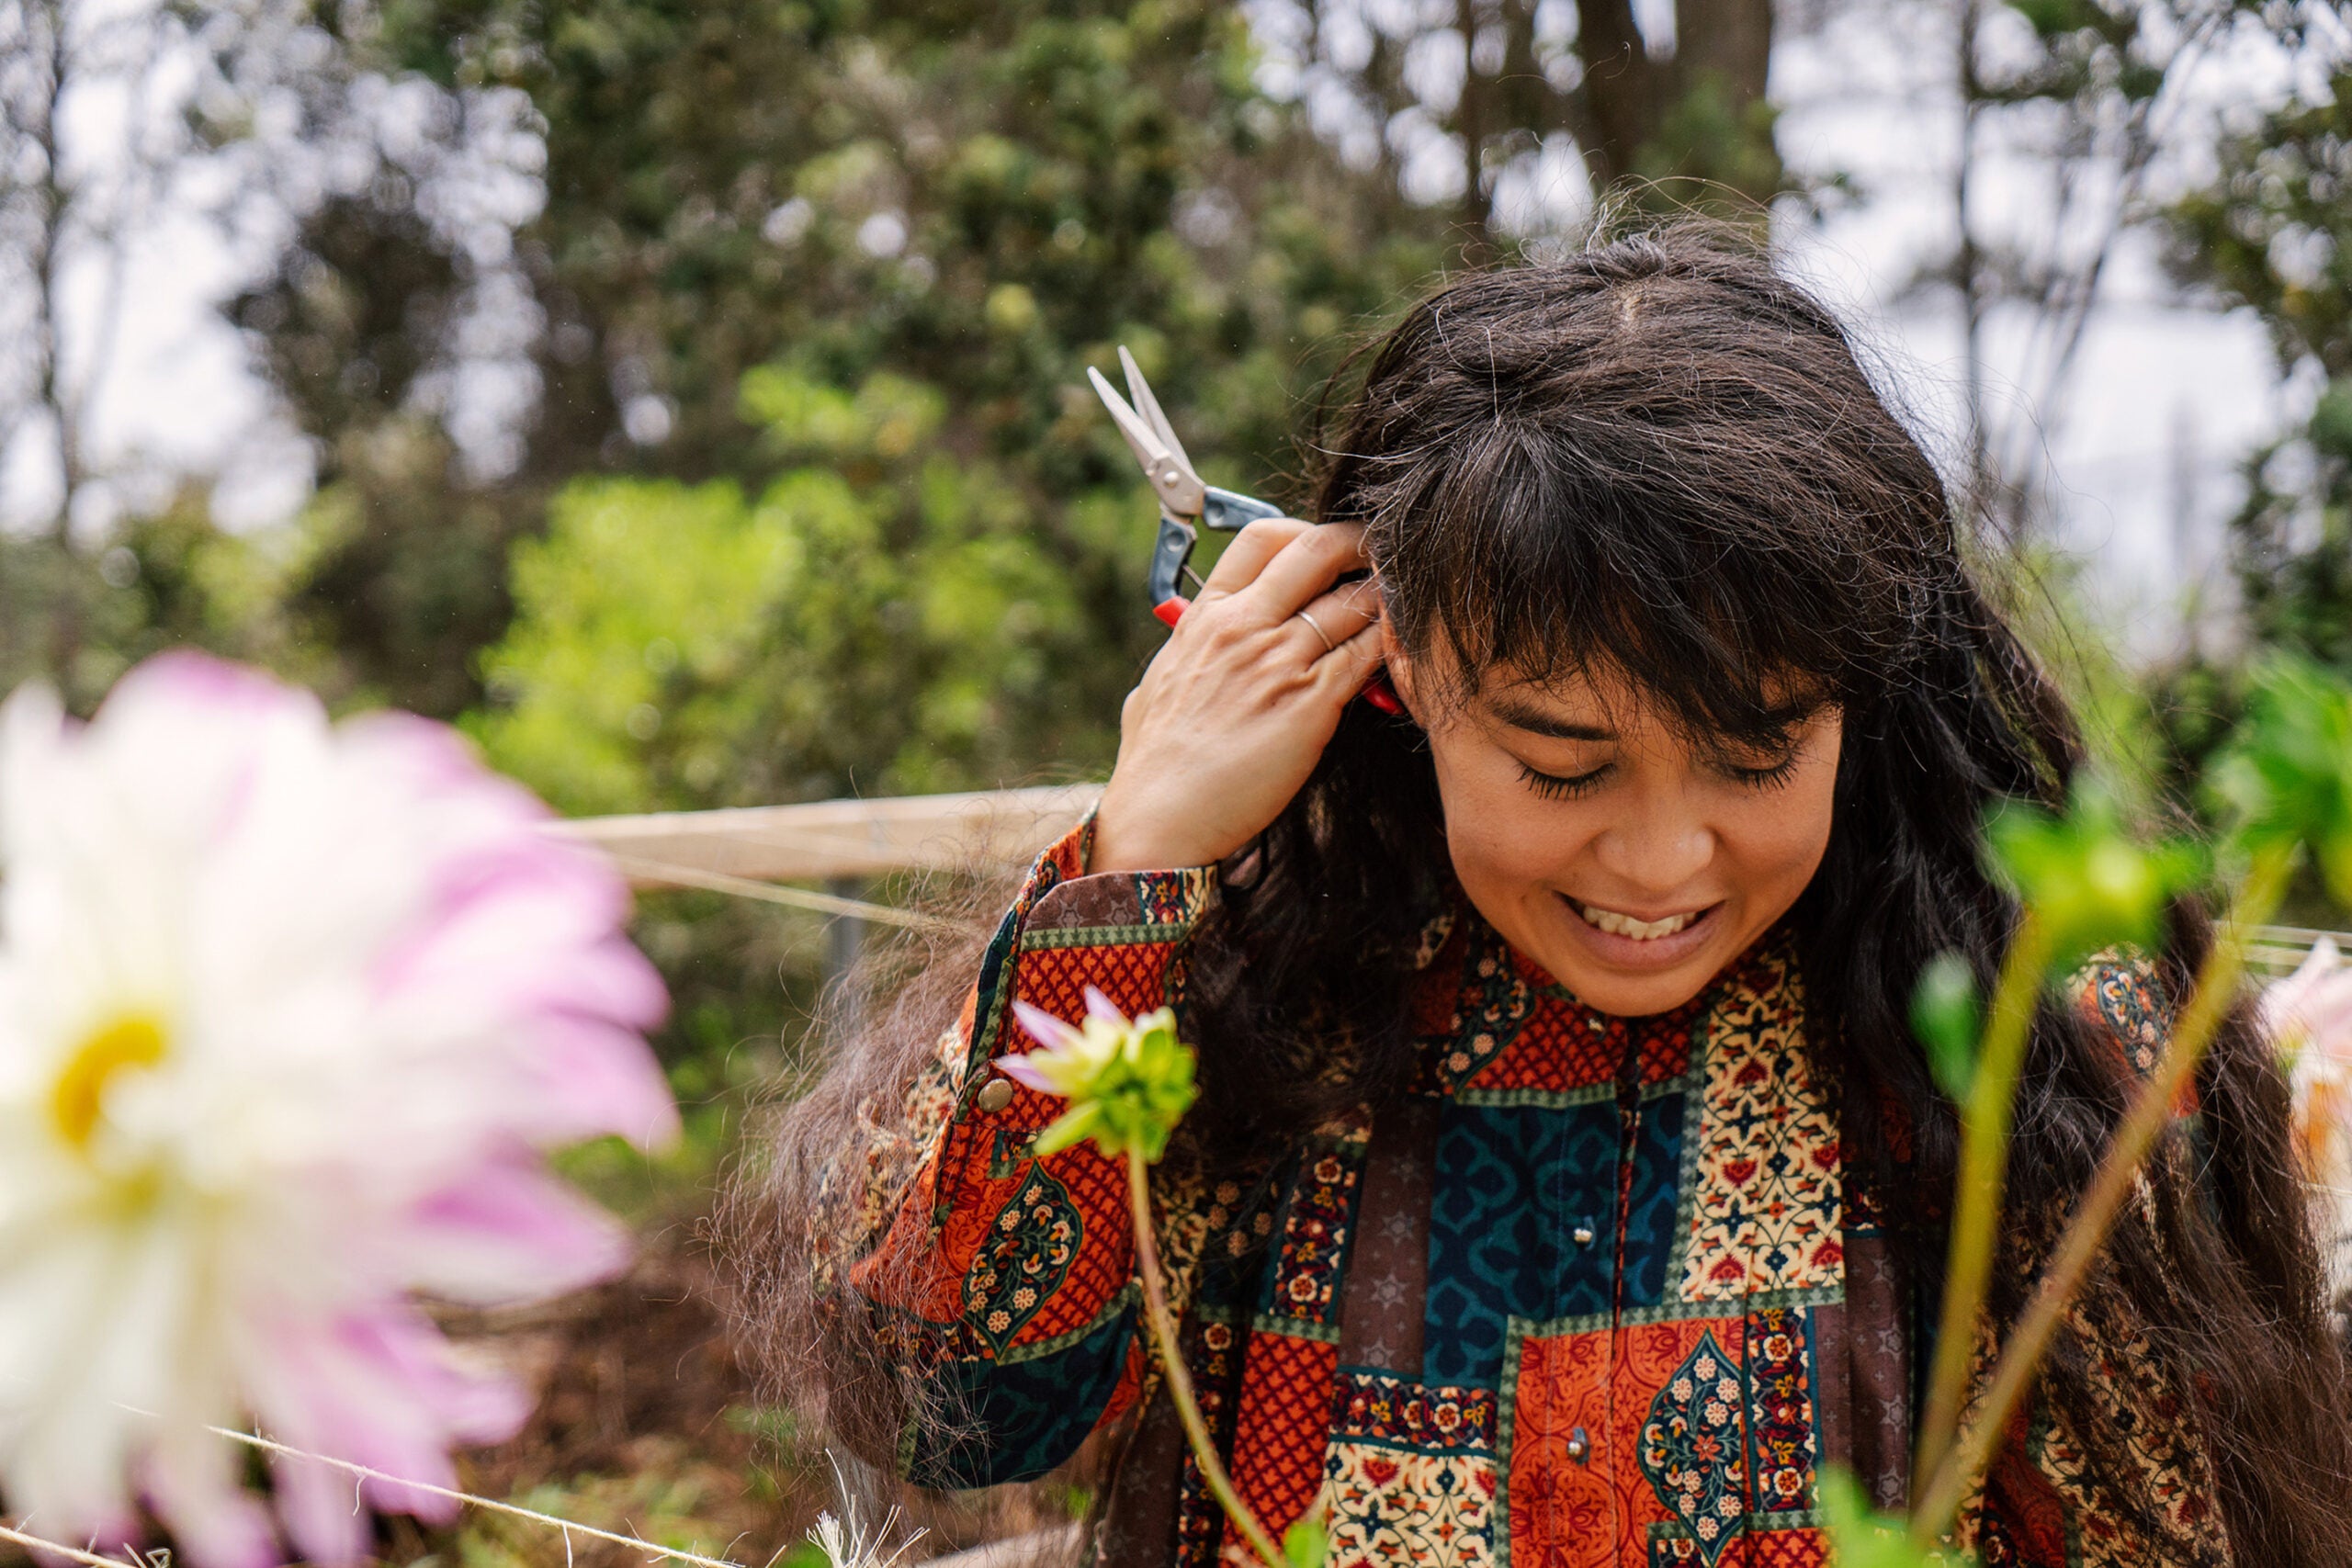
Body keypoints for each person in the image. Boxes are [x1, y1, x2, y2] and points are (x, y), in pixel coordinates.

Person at [725, 230, 2352, 1567]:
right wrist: (1130, 868)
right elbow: (949, 1403)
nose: (1656, 863)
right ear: (1402, 666)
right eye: (1562, 765)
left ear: (1867, 687)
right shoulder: (1229, 977)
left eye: (1756, 754)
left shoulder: (2042, 1031)